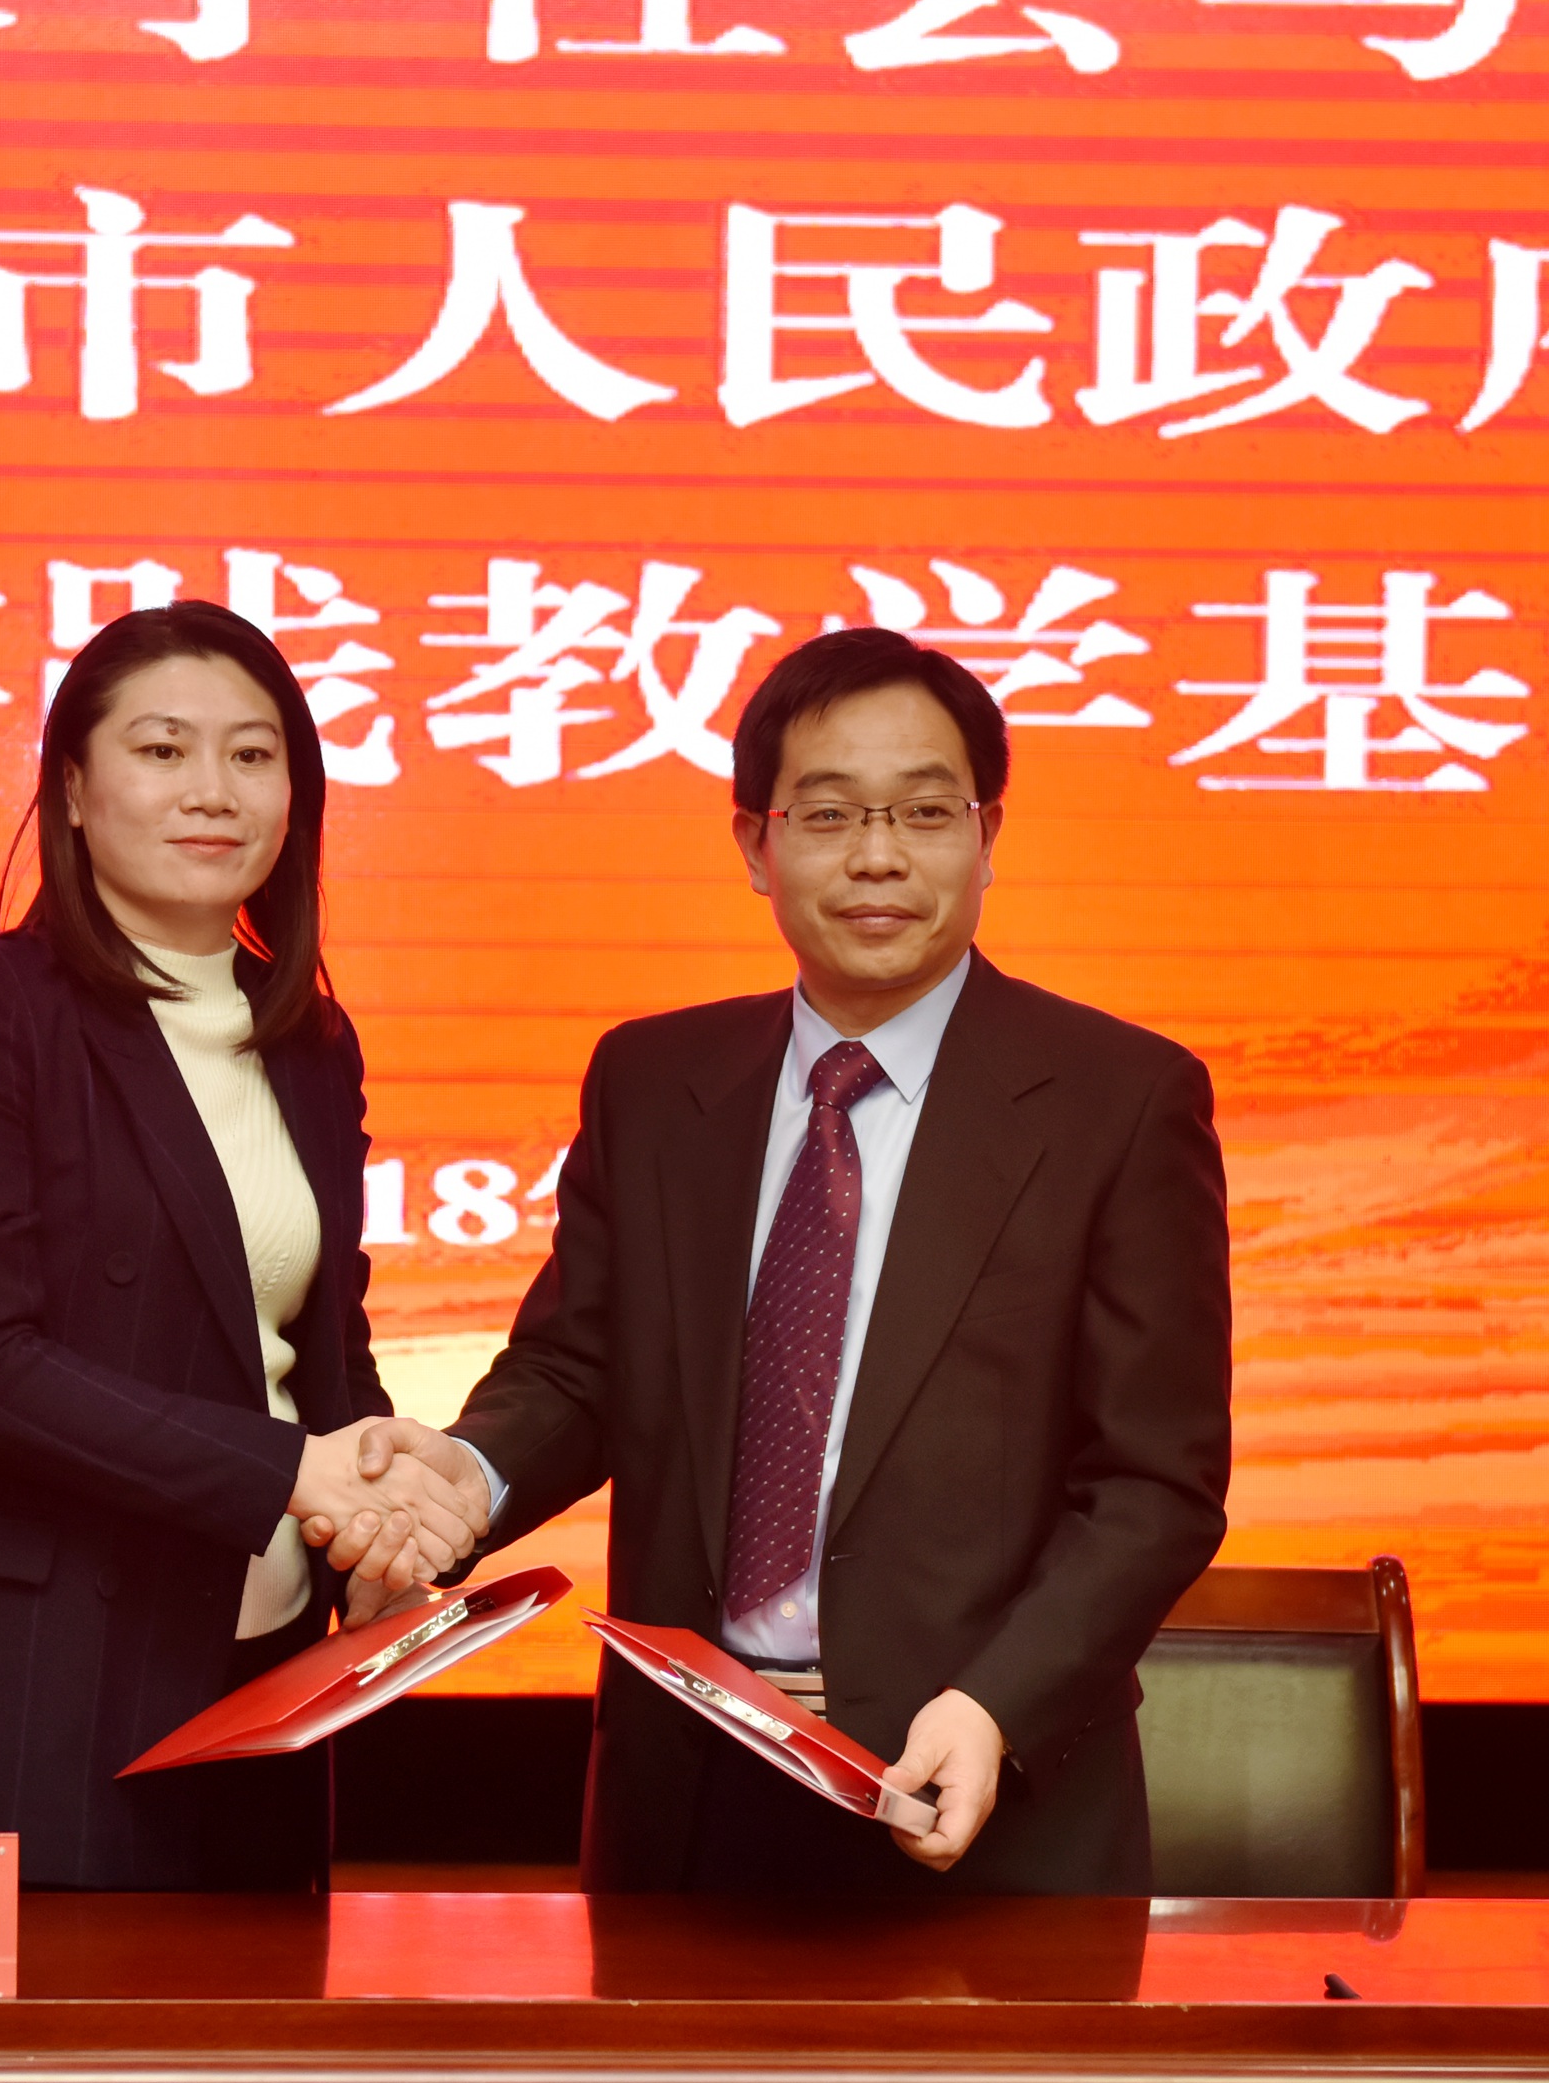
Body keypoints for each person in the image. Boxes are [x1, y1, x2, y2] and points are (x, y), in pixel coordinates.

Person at [326, 627, 1229, 1893]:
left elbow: (1154, 1482)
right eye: (831, 813)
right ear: (756, 843)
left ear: (987, 834)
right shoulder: (655, 1081)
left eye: (925, 811)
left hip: (974, 1788)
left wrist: (997, 1705)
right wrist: (461, 1485)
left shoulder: (1116, 1100)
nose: (878, 856)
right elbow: (579, 1370)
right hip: (688, 1787)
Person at [0, 604, 479, 1890]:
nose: (212, 790)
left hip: (264, 1672)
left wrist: (382, 1520)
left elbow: (318, 1347)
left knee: (260, 2020)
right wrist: (291, 1471)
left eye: (253, 755)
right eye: (163, 750)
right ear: (71, 787)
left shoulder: (310, 1044)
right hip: (37, 1676)